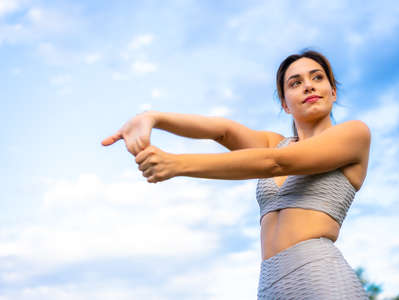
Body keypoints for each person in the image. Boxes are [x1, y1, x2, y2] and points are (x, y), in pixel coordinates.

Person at [101, 50, 371, 299]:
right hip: (269, 286)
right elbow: (222, 131)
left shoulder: (354, 134)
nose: (308, 85)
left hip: (321, 278)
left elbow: (276, 163)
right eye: (295, 82)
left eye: (317, 77)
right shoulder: (274, 142)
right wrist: (153, 118)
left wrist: (177, 164)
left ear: (332, 91)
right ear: (285, 104)